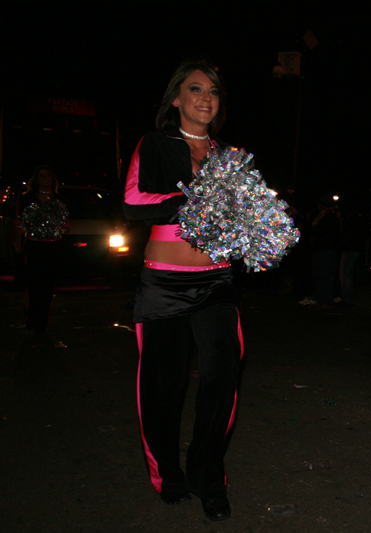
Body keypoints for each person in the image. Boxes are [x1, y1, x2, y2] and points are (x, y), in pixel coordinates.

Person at [123, 60, 240, 521]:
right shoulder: (154, 145)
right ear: (176, 98)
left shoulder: (228, 154)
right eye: (195, 89)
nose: (206, 98)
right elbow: (134, 204)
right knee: (162, 387)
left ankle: (208, 476)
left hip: (218, 281)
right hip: (164, 282)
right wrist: (191, 199)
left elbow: (239, 217)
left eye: (213, 91)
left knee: (222, 381)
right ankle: (166, 474)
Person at [14, 165, 69, 341]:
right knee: (33, 284)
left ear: (52, 179)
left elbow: (66, 224)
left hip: (53, 247)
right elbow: (19, 221)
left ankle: (41, 322)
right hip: (34, 246)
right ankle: (31, 320)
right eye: (41, 176)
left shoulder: (59, 199)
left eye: (47, 176)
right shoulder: (28, 198)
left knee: (48, 285)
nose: (44, 179)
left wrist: (58, 228)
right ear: (36, 179)